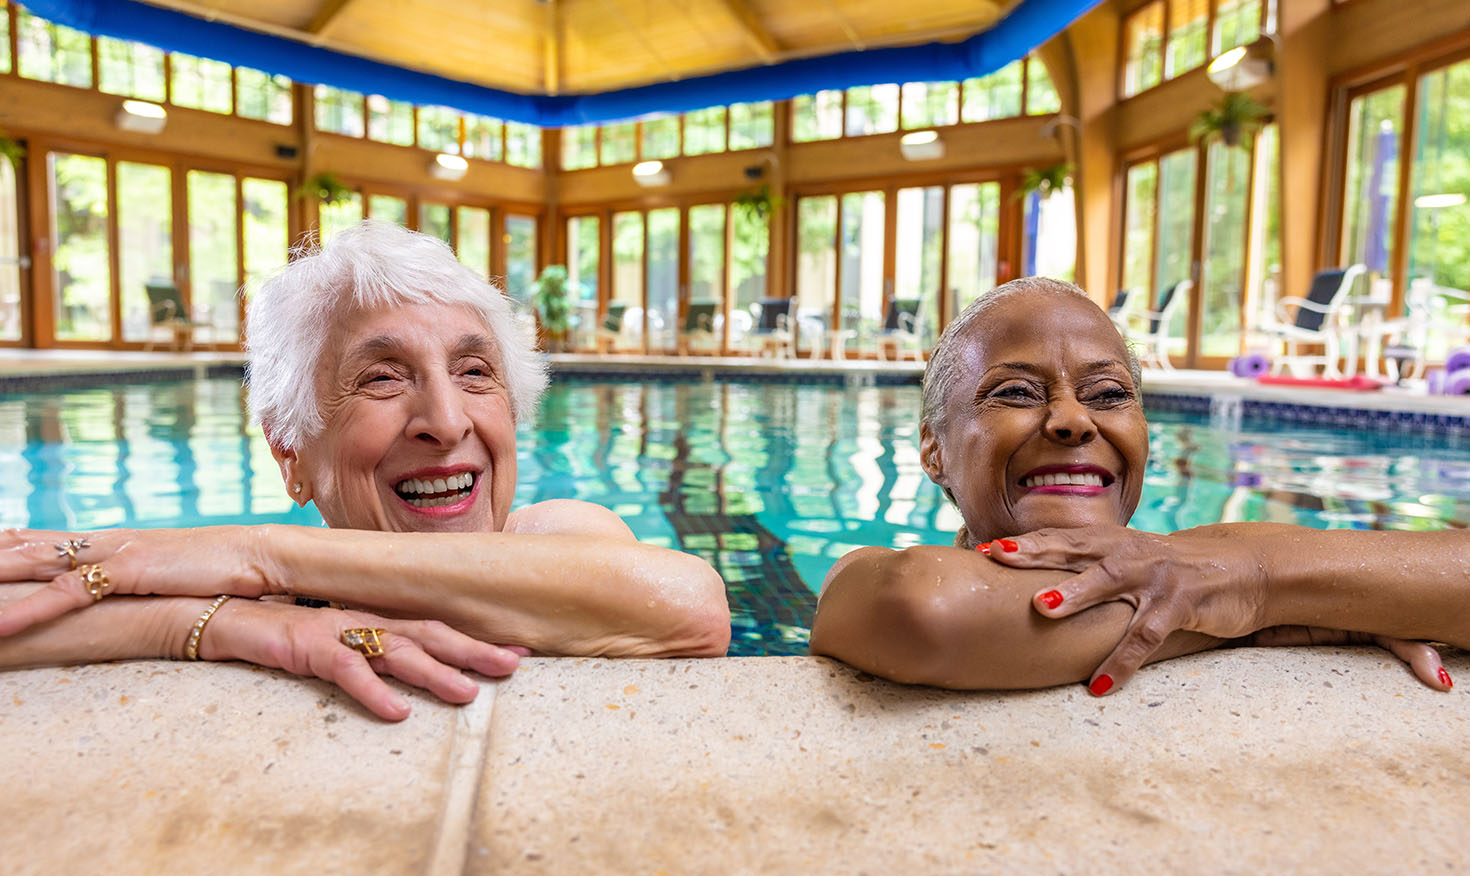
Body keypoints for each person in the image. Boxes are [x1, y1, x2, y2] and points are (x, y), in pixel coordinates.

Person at [0, 220, 729, 720]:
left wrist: (256, 553)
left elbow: (690, 607)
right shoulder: (276, 611)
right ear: (292, 453)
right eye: (382, 378)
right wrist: (199, 623)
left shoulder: (561, 534)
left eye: (475, 372)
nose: (446, 421)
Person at [810, 277, 1465, 694]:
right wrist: (1249, 602)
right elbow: (925, 608)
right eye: (1015, 392)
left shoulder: (1217, 554)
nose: (1071, 419)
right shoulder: (869, 578)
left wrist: (1242, 581)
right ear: (933, 448)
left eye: (1107, 394)